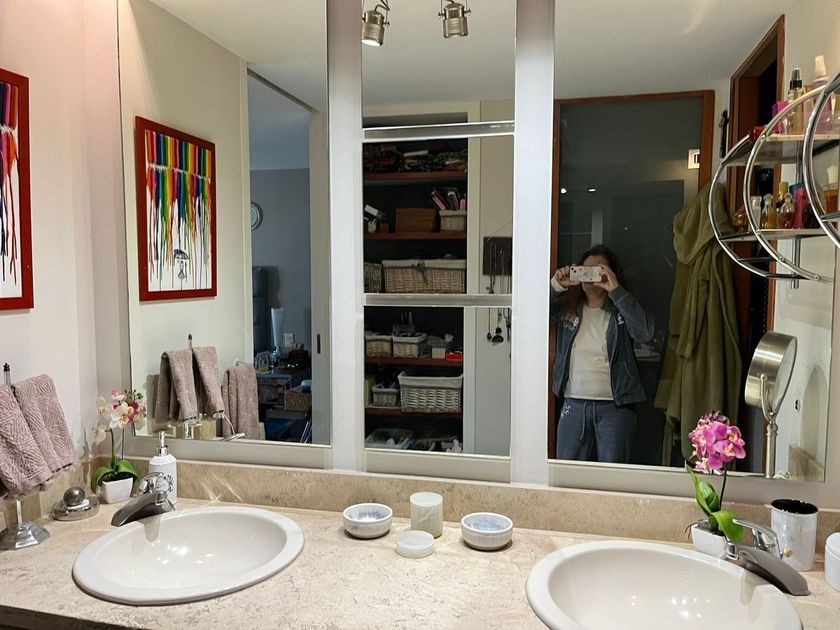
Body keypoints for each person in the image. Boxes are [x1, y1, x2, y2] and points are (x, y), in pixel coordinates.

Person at [550, 244, 655, 463]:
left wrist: (616, 290)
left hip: (616, 406)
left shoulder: (621, 309)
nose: (590, 277)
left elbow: (645, 333)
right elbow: (531, 315)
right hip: (573, 403)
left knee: (613, 474)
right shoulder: (568, 308)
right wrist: (556, 286)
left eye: (598, 271)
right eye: (585, 271)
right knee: (567, 472)